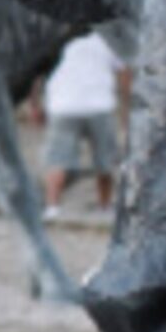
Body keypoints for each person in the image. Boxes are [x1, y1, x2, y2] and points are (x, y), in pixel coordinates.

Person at [35, 30, 128, 215]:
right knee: (105, 159)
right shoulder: (109, 39)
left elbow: (38, 72)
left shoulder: (55, 39)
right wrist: (128, 107)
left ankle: (52, 207)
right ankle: (105, 206)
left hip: (63, 105)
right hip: (99, 104)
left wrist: (36, 103)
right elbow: (124, 74)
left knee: (58, 159)